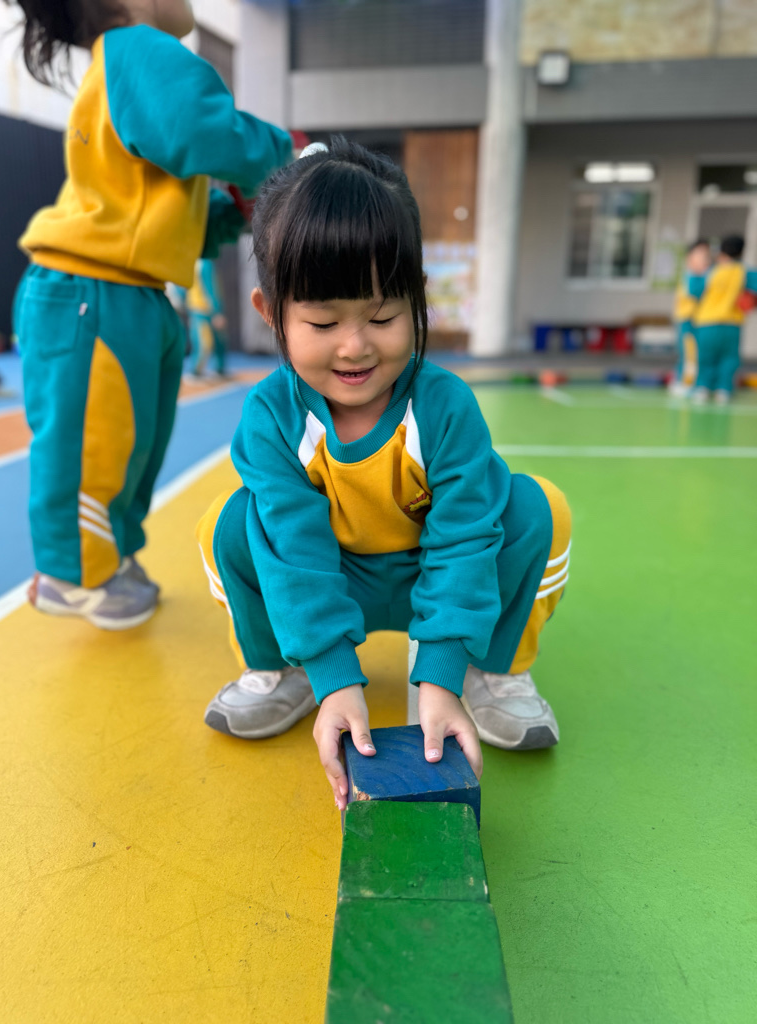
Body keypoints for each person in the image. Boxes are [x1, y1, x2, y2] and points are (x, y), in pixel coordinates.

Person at [195, 138, 572, 808]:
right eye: (322, 321)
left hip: (427, 571)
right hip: (336, 576)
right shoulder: (271, 416)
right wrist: (335, 679)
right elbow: (293, 551)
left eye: (382, 316)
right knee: (230, 527)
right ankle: (284, 668)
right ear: (270, 313)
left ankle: (493, 669)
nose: (354, 345)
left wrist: (441, 677)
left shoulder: (443, 405)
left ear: (416, 298)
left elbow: (465, 536)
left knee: (534, 508)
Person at [8, 0, 293, 629]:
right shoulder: (139, 48)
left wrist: (234, 212)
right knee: (94, 441)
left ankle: (111, 553)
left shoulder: (128, 62)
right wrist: (285, 157)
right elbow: (201, 133)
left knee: (137, 443)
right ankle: (73, 574)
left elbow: (161, 205)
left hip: (128, 290)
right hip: (94, 291)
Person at [690, 235, 757, 404]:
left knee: (705, 357)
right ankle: (724, 390)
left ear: (721, 251)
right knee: (729, 358)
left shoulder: (711, 271)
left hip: (707, 322)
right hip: (732, 323)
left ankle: (702, 388)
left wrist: (695, 269)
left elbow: (695, 291)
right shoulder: (745, 271)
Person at [668, 239, 710, 398]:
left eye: (706, 256)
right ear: (689, 258)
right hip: (688, 320)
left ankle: (694, 383)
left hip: (699, 321)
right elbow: (695, 293)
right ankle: (685, 383)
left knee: (697, 354)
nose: (704, 259)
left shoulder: (702, 275)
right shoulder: (692, 276)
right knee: (688, 353)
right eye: (700, 255)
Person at [186, 258, 229, 378]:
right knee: (203, 341)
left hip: (201, 308)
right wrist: (217, 311)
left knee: (213, 340)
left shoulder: (200, 263)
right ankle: (198, 370)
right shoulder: (203, 264)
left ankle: (215, 369)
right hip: (201, 309)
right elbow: (210, 287)